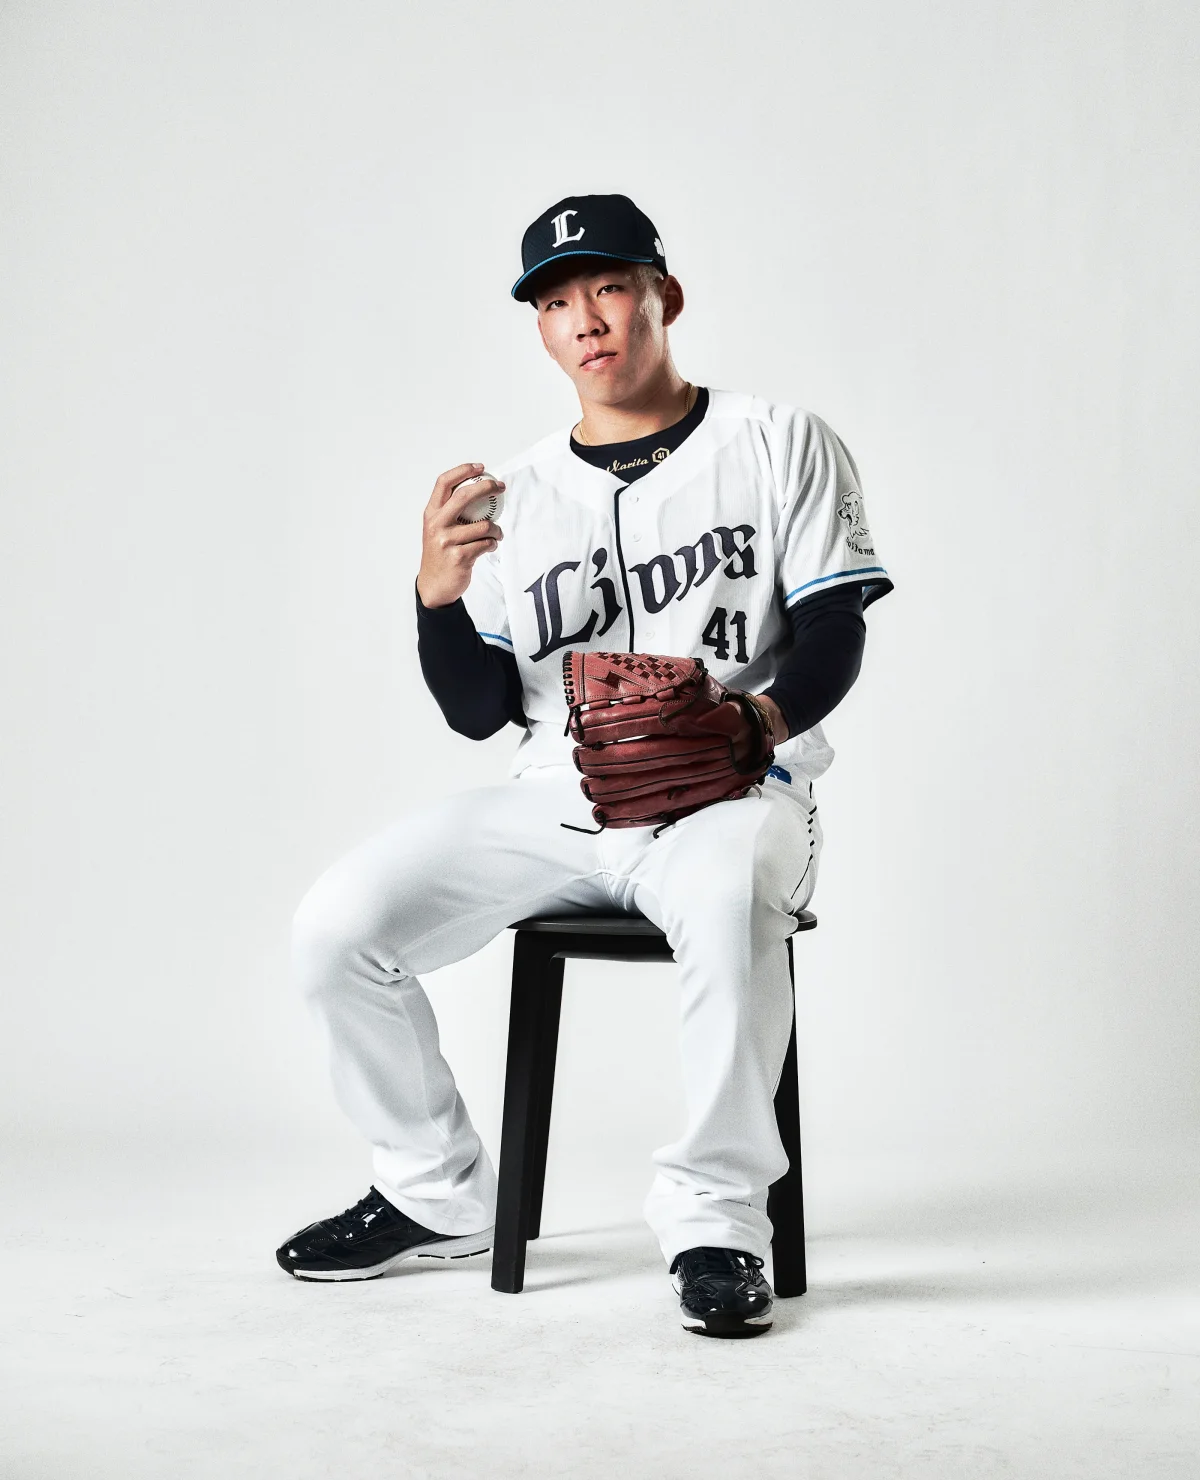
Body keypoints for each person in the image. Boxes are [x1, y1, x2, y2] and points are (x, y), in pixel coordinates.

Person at [277, 194, 894, 1338]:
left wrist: (761, 720)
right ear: (541, 329)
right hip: (561, 802)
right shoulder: (515, 495)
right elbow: (476, 713)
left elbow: (836, 629)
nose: (586, 318)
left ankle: (716, 1221)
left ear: (665, 296)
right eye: (557, 301)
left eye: (609, 286)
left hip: (736, 789)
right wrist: (436, 599)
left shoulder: (779, 440)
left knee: (727, 900)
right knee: (336, 925)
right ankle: (433, 1188)